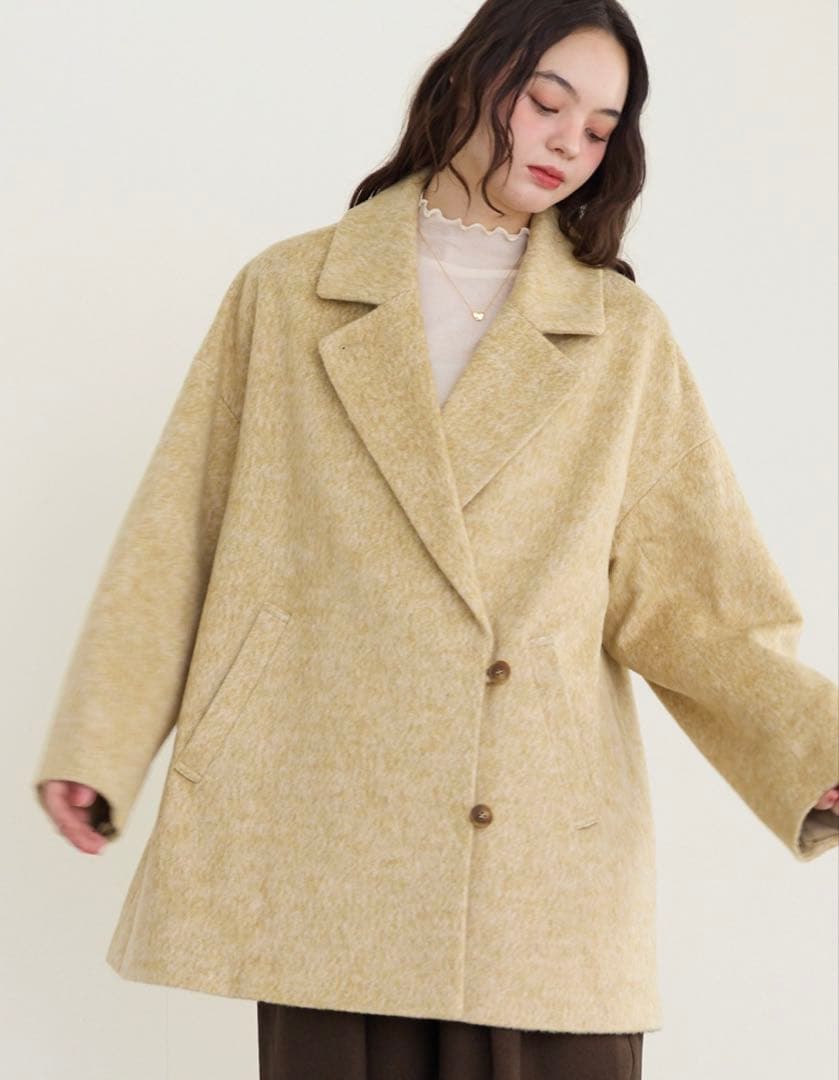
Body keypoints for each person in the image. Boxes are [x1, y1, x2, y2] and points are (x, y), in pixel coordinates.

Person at [34, 1, 839, 1078]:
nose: (567, 141)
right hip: (323, 822)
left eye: (599, 128)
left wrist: (813, 753)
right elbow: (180, 530)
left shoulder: (618, 336)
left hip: (535, 842)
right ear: (468, 78)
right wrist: (100, 744)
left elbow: (690, 599)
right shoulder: (289, 291)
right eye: (545, 101)